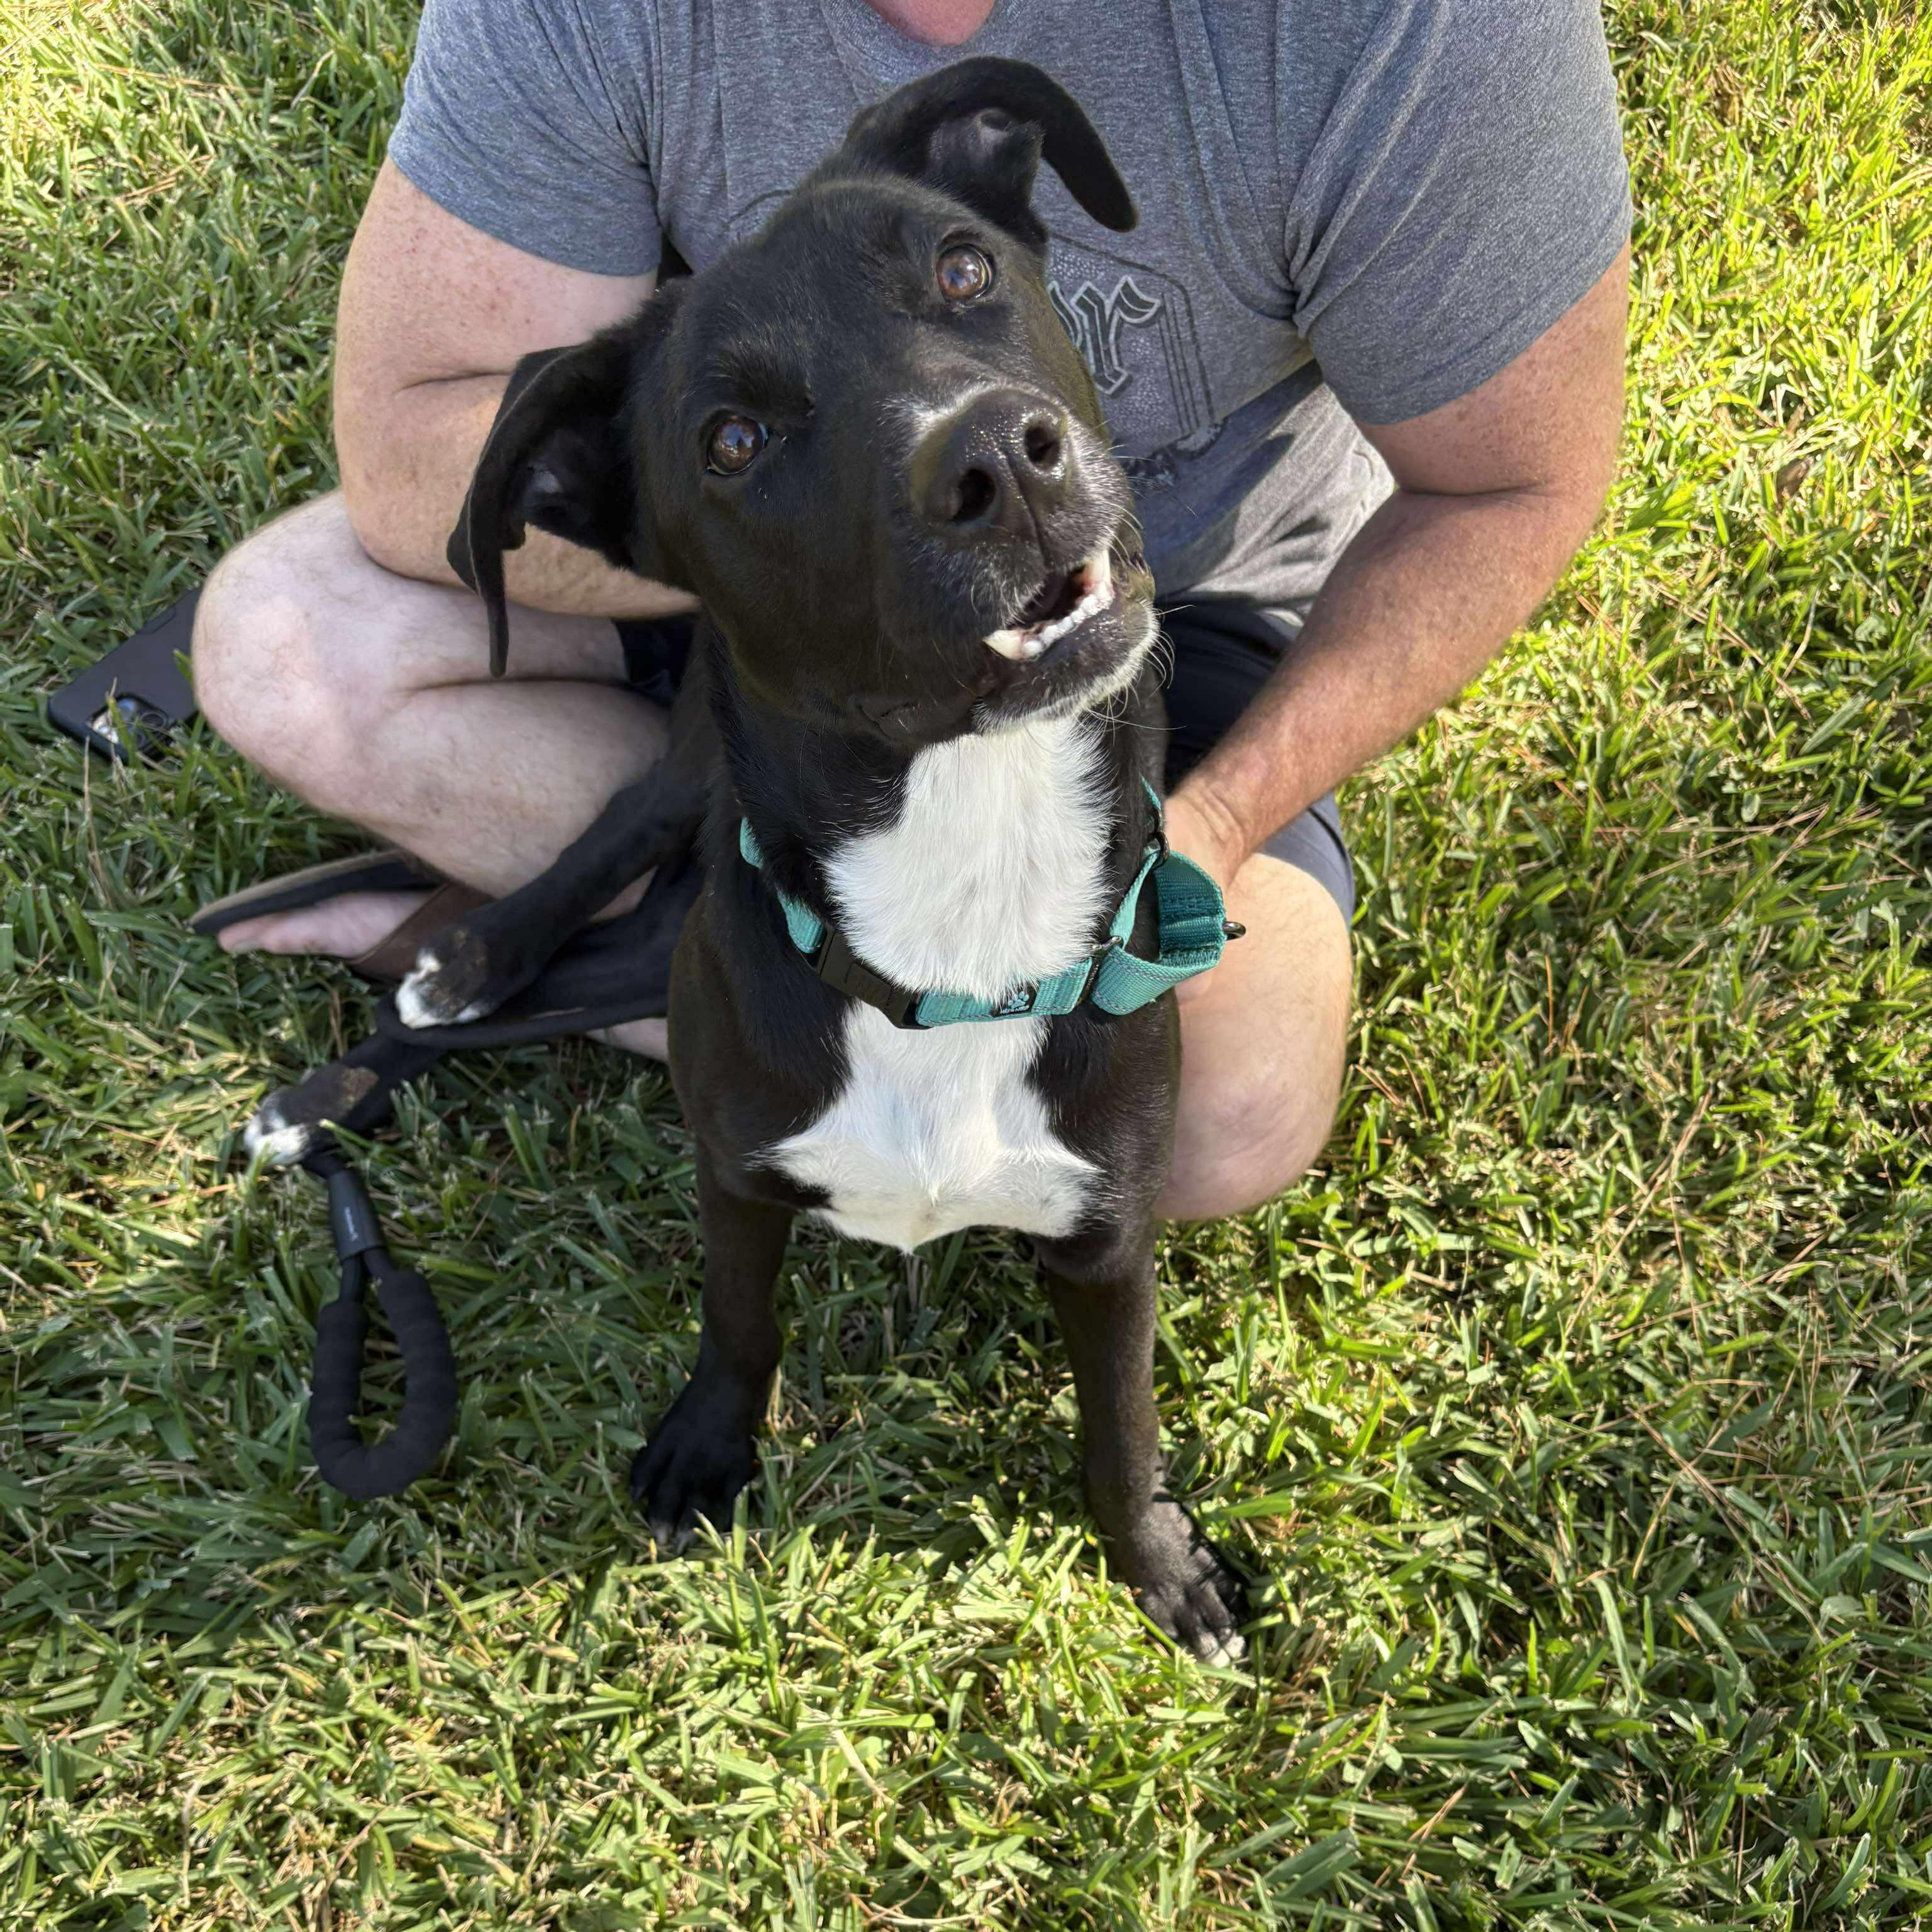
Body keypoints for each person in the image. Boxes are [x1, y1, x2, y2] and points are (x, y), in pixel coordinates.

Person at [192, 0, 1631, 1221]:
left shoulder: (1408, 29)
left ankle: (556, 955)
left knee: (1232, 1096)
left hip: (1165, 607)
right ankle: (754, 996)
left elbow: (1512, 487)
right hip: (796, 584)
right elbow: (409, 445)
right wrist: (829, 580)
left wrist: (1206, 830)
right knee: (286, 646)